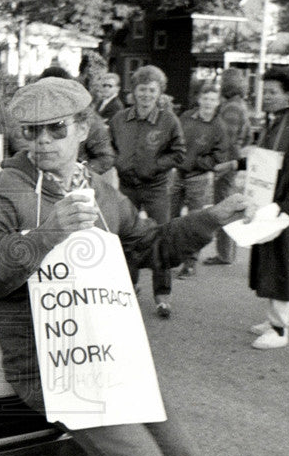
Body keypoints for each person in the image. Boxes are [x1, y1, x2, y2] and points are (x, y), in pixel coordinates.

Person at [0, 76, 252, 456]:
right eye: (32, 132)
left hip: (114, 357)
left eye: (55, 129)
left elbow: (152, 246)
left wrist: (211, 217)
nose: (43, 141)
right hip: (56, 364)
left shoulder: (98, 191)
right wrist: (48, 234)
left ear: (82, 129)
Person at [239, 68, 289, 350]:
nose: (268, 97)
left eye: (274, 92)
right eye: (266, 91)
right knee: (272, 259)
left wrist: (286, 202)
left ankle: (280, 329)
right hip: (273, 203)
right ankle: (273, 318)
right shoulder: (276, 123)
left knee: (284, 261)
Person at [108, 65, 186, 317]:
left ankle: (162, 294)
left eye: (152, 90)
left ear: (159, 92)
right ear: (134, 91)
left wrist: (156, 166)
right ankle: (127, 288)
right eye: (142, 89)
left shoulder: (168, 121)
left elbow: (179, 152)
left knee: (161, 239)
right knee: (126, 238)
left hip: (155, 189)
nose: (146, 95)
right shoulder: (120, 119)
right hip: (127, 187)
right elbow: (109, 148)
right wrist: (117, 161)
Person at [171, 81, 229, 278]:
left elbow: (219, 158)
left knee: (195, 223)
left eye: (212, 99)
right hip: (177, 175)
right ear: (199, 99)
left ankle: (190, 263)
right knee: (173, 219)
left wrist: (196, 162)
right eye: (205, 98)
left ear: (218, 102)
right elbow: (174, 138)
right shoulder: (186, 117)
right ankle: (171, 257)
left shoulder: (219, 127)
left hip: (198, 178)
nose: (208, 103)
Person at [204, 68, 253, 266]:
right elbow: (248, 136)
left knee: (225, 208)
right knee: (228, 205)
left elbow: (225, 140)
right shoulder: (240, 106)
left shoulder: (231, 109)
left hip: (226, 164)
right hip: (233, 161)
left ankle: (224, 254)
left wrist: (220, 163)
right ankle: (226, 252)